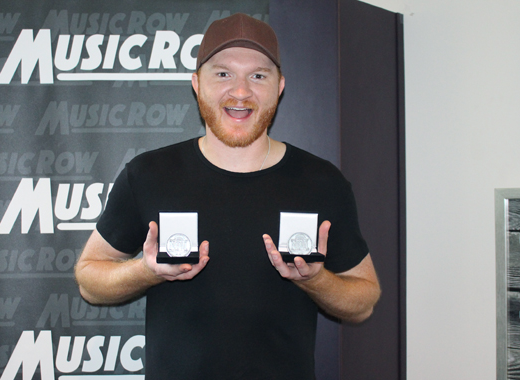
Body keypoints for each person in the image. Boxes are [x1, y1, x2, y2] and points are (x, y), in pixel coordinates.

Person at [75, 13, 380, 380]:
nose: (240, 91)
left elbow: (363, 302)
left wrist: (315, 280)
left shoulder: (322, 181)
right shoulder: (148, 174)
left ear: (279, 86)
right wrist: (146, 271)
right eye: (223, 74)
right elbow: (89, 282)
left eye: (258, 75)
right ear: (196, 84)